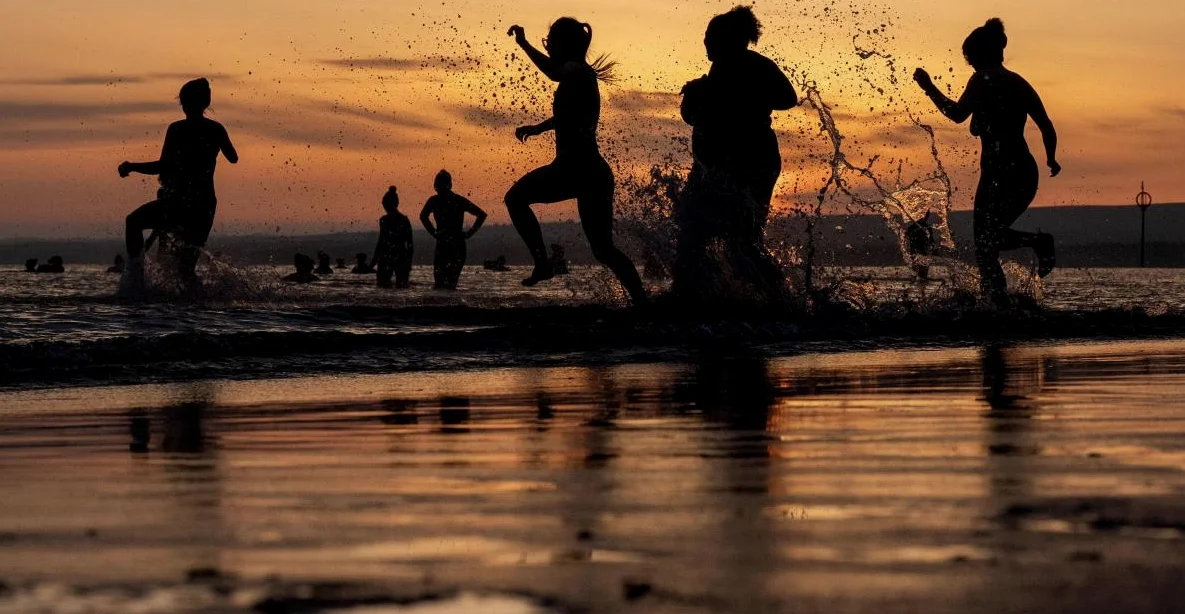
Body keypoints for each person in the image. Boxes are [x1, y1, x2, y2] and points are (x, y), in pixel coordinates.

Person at [914, 18, 1059, 306]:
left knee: (985, 244)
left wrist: (929, 87)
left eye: (970, 60)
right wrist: (1051, 158)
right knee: (988, 242)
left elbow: (956, 114)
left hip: (1000, 174)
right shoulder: (1018, 82)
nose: (971, 66)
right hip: (1024, 172)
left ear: (979, 56)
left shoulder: (983, 78)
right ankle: (1000, 298)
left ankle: (999, 300)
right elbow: (1046, 124)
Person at [505, 18, 647, 305]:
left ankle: (543, 263)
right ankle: (643, 304)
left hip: (580, 170)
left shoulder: (576, 71)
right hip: (587, 173)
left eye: (551, 42)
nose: (549, 47)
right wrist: (538, 128)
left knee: (516, 199)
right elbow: (567, 118)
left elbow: (553, 73)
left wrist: (523, 45)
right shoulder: (578, 76)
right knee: (604, 250)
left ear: (563, 44)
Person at [676, 6, 797, 302]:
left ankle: (781, 297)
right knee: (690, 230)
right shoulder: (716, 71)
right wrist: (696, 96)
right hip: (713, 167)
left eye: (709, 37)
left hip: (751, 163)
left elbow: (788, 98)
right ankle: (701, 294)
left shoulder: (754, 65)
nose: (704, 42)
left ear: (726, 39)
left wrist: (739, 99)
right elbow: (694, 116)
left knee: (741, 239)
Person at [117, 78, 238, 294]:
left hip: (180, 202)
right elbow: (233, 158)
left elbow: (163, 165)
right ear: (206, 103)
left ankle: (136, 278)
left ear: (185, 103)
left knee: (133, 222)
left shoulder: (177, 129)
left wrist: (132, 166)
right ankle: (203, 302)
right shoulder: (216, 129)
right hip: (204, 205)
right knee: (185, 269)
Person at [420, 170, 486, 290]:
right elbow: (423, 216)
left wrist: (469, 233)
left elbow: (482, 214)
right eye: (439, 185)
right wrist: (434, 233)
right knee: (443, 284)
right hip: (449, 244)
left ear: (447, 185)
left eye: (441, 185)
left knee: (445, 284)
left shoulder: (445, 201)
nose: (440, 188)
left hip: (453, 245)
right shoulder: (444, 200)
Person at [375, 186, 415, 289]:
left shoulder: (384, 220)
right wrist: (409, 261)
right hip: (401, 256)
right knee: (402, 288)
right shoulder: (404, 220)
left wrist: (373, 261)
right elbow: (410, 244)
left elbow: (381, 242)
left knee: (382, 288)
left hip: (386, 256)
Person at [905, 211, 937, 280]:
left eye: (927, 215)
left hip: (918, 251)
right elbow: (931, 240)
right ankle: (919, 280)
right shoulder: (920, 227)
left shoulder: (914, 227)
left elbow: (906, 237)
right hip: (917, 251)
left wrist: (934, 249)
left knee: (918, 272)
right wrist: (934, 250)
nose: (926, 217)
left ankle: (917, 280)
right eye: (926, 215)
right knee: (919, 272)